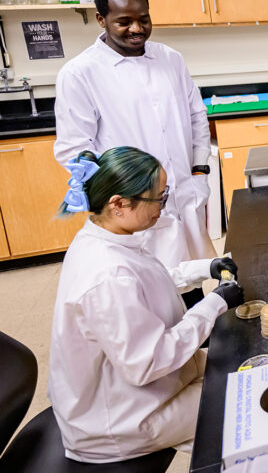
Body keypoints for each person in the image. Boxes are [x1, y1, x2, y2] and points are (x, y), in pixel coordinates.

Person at [48, 146, 243, 463]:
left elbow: (148, 281)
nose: (162, 208)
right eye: (158, 198)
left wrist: (204, 268)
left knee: (242, 359)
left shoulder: (105, 238)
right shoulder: (107, 275)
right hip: (118, 421)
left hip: (135, 386)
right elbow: (149, 361)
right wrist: (214, 304)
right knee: (244, 399)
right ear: (119, 204)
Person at [54, 0, 214, 271]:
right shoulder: (80, 73)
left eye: (144, 19)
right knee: (148, 280)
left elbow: (196, 116)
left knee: (192, 273)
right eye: (124, 22)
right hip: (133, 205)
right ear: (101, 19)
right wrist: (117, 196)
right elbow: (74, 148)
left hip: (184, 191)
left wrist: (200, 170)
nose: (137, 28)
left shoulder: (170, 59)